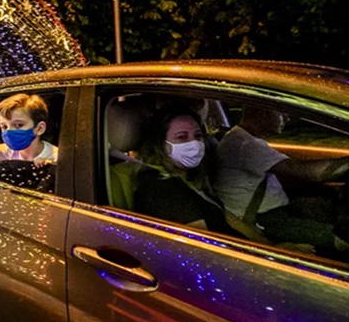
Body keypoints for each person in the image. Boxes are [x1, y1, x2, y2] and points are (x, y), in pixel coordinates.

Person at [213, 106, 349, 251]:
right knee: (340, 239)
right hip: (264, 219)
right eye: (281, 112)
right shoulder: (245, 144)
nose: (287, 118)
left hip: (275, 211)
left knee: (331, 211)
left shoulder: (245, 139)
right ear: (262, 113)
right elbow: (310, 172)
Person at [133, 106, 241, 237]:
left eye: (197, 135)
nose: (194, 143)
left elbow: (229, 221)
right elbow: (202, 245)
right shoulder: (160, 189)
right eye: (182, 137)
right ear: (160, 145)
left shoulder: (190, 178)